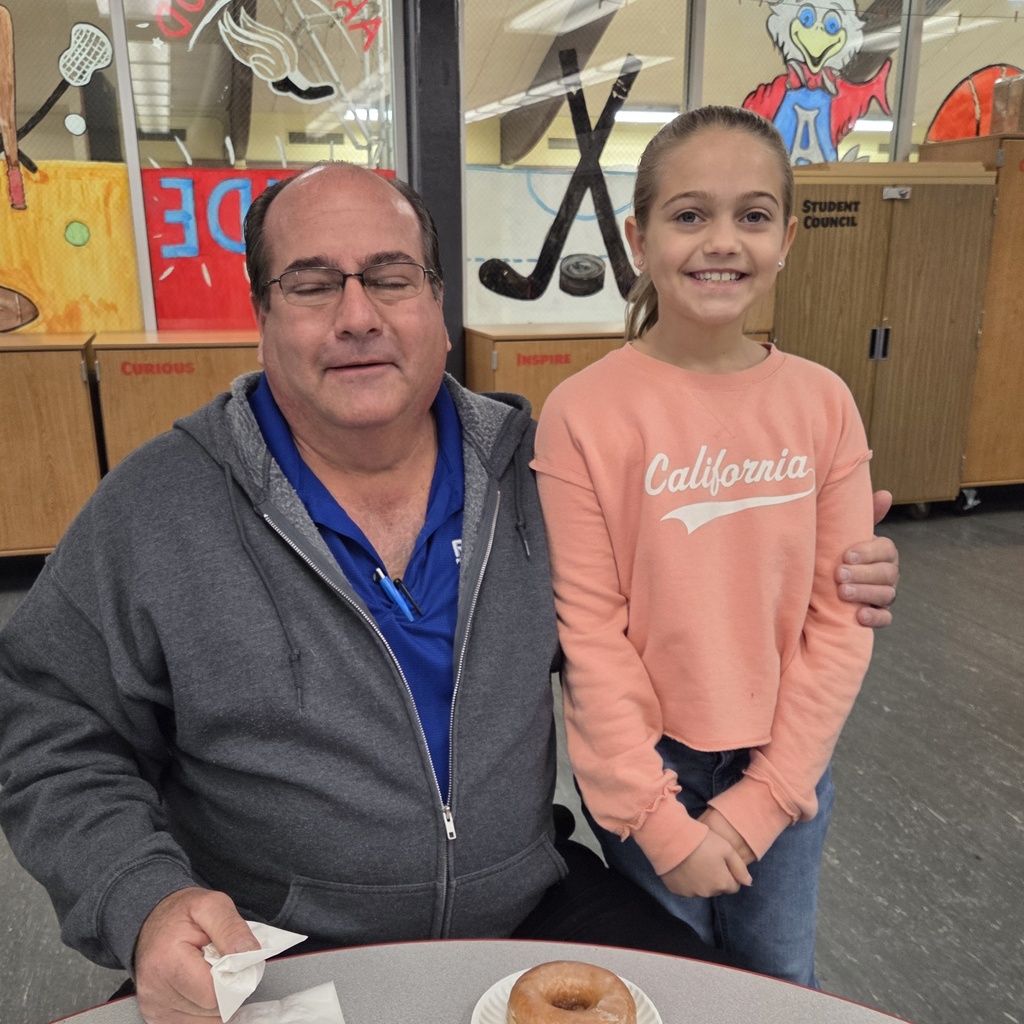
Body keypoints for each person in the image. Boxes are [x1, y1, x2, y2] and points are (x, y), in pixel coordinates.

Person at [0, 162, 897, 1024]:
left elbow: (680, 585)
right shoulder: (158, 510)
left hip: (525, 907)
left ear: (437, 300)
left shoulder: (538, 476)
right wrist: (143, 900)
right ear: (261, 310)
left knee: (709, 1004)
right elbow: (51, 730)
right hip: (275, 947)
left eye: (391, 279)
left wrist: (821, 553)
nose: (358, 316)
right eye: (313, 285)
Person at [532, 106, 878, 988]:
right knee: (670, 985)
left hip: (787, 763)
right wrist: (658, 818)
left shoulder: (824, 403)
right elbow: (590, 634)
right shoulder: (584, 413)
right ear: (638, 237)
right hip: (648, 773)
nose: (722, 241)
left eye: (753, 216)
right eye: (690, 215)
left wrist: (762, 801)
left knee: (777, 982)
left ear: (788, 238)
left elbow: (839, 620)